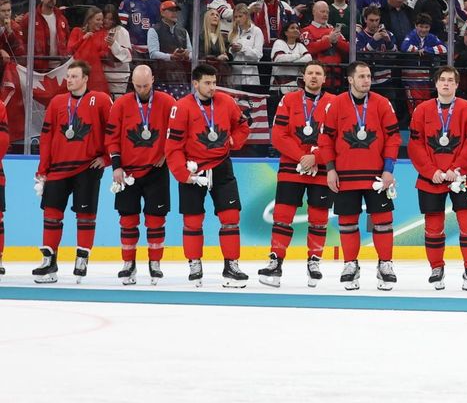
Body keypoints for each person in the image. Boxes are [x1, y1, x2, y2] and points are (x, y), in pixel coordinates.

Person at [317, 60, 402, 291]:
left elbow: (394, 138)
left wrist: (388, 169)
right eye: (362, 76)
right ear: (350, 79)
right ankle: (350, 264)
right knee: (347, 223)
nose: (367, 80)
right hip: (345, 174)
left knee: (383, 222)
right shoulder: (335, 105)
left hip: (376, 175)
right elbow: (325, 140)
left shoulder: (383, 103)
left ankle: (385, 264)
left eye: (369, 76)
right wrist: (330, 168)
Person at [165, 62, 250, 287]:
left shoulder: (227, 102)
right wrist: (184, 175)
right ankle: (194, 263)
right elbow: (172, 146)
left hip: (221, 166)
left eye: (214, 82)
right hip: (194, 169)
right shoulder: (181, 107)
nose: (213, 87)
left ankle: (231, 265)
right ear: (195, 84)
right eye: (207, 83)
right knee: (193, 221)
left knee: (231, 217)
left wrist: (235, 140)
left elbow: (243, 126)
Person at [33, 61, 114, 283]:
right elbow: (47, 137)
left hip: (87, 167)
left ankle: (82, 257)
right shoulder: (57, 102)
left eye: (74, 76)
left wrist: (106, 158)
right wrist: (43, 168)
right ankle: (49, 263)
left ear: (85, 78)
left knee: (85, 216)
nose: (69, 80)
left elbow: (112, 131)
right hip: (58, 168)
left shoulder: (100, 100)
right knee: (51, 213)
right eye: (68, 76)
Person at [409, 65, 467, 291]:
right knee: (433, 227)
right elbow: (415, 144)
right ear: (435, 84)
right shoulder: (421, 110)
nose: (445, 83)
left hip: (461, 178)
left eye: (450, 80)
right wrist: (430, 170)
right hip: (430, 178)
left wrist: (458, 168)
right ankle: (436, 268)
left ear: (456, 84)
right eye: (442, 79)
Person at [260, 61, 332, 287]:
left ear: (324, 79)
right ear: (303, 77)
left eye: (318, 73)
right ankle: (275, 262)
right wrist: (302, 157)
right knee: (282, 214)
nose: (313, 76)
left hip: (320, 169)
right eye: (310, 72)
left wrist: (316, 158)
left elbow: (337, 138)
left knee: (319, 217)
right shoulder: (288, 100)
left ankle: (314, 261)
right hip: (292, 167)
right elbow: (278, 135)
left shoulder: (334, 103)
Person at [106, 64, 176, 286]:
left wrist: (168, 151)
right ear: (132, 83)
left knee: (156, 220)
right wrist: (116, 166)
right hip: (127, 172)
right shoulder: (121, 104)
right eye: (138, 86)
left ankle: (155, 264)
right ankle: (128, 263)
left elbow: (176, 131)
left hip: (156, 171)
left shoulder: (167, 102)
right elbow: (112, 137)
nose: (142, 90)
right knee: (128, 220)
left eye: (146, 85)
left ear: (153, 80)